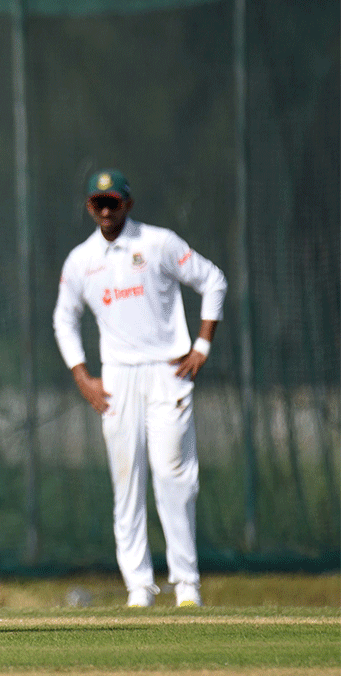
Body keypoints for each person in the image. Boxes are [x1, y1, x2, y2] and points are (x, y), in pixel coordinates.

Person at [53, 169, 227, 608]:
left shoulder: (158, 243)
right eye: (99, 203)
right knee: (126, 480)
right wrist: (82, 377)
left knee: (173, 475)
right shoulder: (81, 260)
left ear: (128, 203)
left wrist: (202, 345)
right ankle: (139, 587)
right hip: (117, 379)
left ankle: (186, 585)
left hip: (168, 370)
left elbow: (213, 281)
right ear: (90, 207)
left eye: (114, 202)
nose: (107, 210)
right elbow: (64, 318)